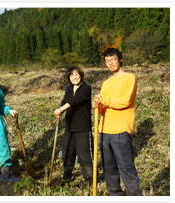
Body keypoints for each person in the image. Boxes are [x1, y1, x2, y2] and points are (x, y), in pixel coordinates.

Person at [92, 48, 143, 196]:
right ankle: (116, 196)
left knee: (126, 168)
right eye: (107, 61)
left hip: (120, 130)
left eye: (113, 59)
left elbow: (126, 101)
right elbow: (103, 108)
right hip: (104, 130)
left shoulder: (130, 78)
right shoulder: (106, 83)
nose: (110, 63)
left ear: (120, 59)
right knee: (109, 170)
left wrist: (105, 101)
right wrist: (97, 105)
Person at [54, 66, 93, 184]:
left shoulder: (86, 88)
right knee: (67, 153)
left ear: (81, 75)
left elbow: (75, 100)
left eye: (77, 75)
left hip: (82, 127)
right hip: (69, 127)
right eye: (72, 75)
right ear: (68, 78)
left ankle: (90, 179)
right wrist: (60, 111)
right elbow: (65, 101)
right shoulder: (69, 89)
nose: (75, 77)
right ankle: (67, 177)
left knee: (84, 155)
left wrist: (61, 108)